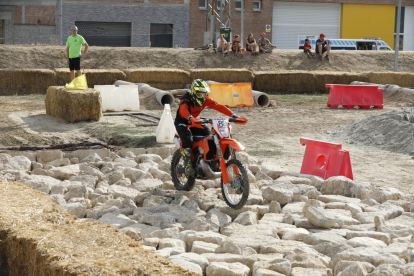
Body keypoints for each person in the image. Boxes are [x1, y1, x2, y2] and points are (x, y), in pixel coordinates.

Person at [174, 79, 240, 176]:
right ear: (194, 92)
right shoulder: (186, 99)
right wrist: (190, 117)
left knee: (208, 135)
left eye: (205, 94)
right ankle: (188, 164)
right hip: (182, 122)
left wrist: (233, 115)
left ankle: (207, 158)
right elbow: (183, 110)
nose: (203, 97)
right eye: (200, 94)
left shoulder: (206, 100)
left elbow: (219, 106)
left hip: (195, 122)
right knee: (187, 137)